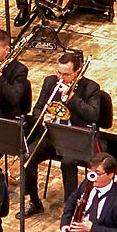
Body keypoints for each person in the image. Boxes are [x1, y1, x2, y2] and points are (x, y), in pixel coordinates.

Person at [20, 49, 109, 218]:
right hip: (53, 136)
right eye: (58, 73)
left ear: (77, 73)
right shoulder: (50, 82)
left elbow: (93, 116)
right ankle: (34, 202)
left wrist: (72, 98)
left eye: (66, 74)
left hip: (77, 138)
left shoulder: (91, 88)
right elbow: (37, 108)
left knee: (68, 162)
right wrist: (42, 117)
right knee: (27, 156)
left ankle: (71, 208)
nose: (60, 78)